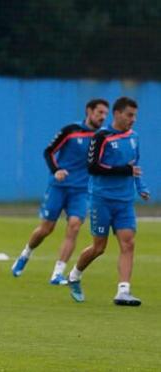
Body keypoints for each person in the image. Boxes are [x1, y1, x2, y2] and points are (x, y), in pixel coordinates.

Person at [11, 99, 109, 284]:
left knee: (74, 226)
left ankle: (57, 273)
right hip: (59, 187)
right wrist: (56, 171)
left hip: (81, 191)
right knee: (46, 229)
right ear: (89, 111)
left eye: (105, 113)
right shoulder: (70, 130)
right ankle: (26, 254)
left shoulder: (103, 137)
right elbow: (48, 151)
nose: (103, 117)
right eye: (100, 112)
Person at [67, 96, 150, 305]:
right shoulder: (101, 137)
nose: (133, 120)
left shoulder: (134, 137)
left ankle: (123, 291)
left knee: (128, 242)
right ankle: (74, 275)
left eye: (135, 116)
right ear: (118, 114)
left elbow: (135, 165)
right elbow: (93, 167)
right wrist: (124, 171)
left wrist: (140, 187)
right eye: (130, 115)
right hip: (101, 199)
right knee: (99, 247)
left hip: (124, 201)